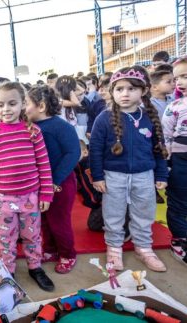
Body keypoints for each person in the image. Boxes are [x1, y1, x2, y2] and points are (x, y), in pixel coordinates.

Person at [90, 66, 168, 272]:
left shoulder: (150, 117)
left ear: (143, 91)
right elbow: (96, 150)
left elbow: (158, 148)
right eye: (119, 89)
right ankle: (114, 248)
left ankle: (144, 247)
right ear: (112, 92)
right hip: (113, 176)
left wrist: (161, 174)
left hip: (144, 176)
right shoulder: (103, 119)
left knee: (144, 213)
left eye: (131, 89)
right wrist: (97, 176)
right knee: (113, 214)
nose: (125, 93)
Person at [0, 81, 55, 291]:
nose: (6, 109)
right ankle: (8, 269)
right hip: (5, 199)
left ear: (22, 104)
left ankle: (35, 267)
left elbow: (44, 164)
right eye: (1, 104)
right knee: (6, 237)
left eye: (12, 103)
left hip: (31, 197)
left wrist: (46, 194)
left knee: (32, 235)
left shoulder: (33, 131)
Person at [25, 85, 81, 274]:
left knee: (58, 220)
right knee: (44, 220)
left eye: (26, 103)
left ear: (41, 106)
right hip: (40, 183)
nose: (23, 108)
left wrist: (55, 180)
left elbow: (73, 154)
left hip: (60, 183)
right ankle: (50, 249)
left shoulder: (61, 126)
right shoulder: (31, 127)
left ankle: (68, 254)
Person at [161, 57, 187, 266]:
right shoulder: (174, 106)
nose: (179, 83)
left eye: (185, 76)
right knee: (178, 200)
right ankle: (180, 240)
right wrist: (167, 164)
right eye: (176, 78)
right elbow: (166, 137)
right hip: (180, 158)